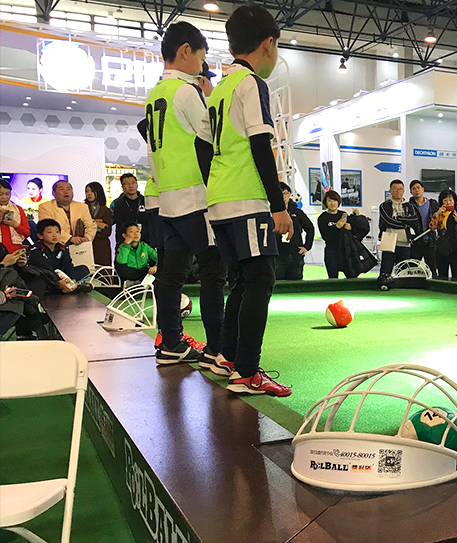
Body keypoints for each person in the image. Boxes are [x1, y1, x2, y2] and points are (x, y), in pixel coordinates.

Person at [206, 5, 292, 396]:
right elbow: (261, 144)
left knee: (241, 280)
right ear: (268, 44)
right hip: (247, 199)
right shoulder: (252, 84)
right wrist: (279, 204)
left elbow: (202, 150)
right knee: (260, 279)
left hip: (220, 200)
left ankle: (228, 357)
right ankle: (247, 371)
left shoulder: (220, 87)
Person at [145, 21, 228, 370]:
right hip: (195, 196)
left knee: (171, 273)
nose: (202, 64)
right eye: (201, 55)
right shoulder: (186, 90)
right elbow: (212, 138)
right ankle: (216, 349)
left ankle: (171, 343)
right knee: (213, 271)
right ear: (185, 52)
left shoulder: (154, 95)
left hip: (167, 199)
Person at [28, 219, 90, 287]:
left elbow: (68, 266)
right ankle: (63, 287)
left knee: (83, 269)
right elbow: (47, 269)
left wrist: (73, 280)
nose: (54, 235)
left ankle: (68, 286)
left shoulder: (62, 248)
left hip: (61, 275)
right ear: (40, 236)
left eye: (57, 232)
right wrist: (59, 282)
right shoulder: (36, 250)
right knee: (40, 279)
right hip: (47, 276)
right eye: (50, 232)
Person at [377, 180, 419, 279]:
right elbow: (388, 221)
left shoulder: (410, 206)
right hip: (389, 241)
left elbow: (414, 220)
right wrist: (405, 223)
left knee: (403, 271)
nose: (398, 191)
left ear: (404, 191)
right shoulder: (384, 206)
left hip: (405, 242)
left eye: (400, 189)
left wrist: (398, 219)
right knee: (386, 270)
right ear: (390, 191)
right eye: (395, 189)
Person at [38, 180, 96, 247]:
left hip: (80, 246)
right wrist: (69, 238)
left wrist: (86, 238)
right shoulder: (45, 207)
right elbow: (47, 228)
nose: (66, 192)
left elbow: (90, 225)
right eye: (61, 189)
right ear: (53, 193)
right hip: (56, 246)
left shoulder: (83, 207)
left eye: (68, 189)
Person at [275, 182, 314, 280]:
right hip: (277, 256)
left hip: (296, 255)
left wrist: (307, 246)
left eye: (284, 193)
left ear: (289, 194)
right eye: (279, 194)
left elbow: (310, 228)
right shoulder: (271, 213)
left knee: (297, 287)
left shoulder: (297, 212)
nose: (282, 197)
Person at [317, 190, 360, 278]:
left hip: (346, 251)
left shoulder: (343, 215)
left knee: (352, 277)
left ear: (338, 202)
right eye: (329, 201)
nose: (333, 203)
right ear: (325, 203)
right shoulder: (322, 218)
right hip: (331, 252)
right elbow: (326, 236)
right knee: (333, 278)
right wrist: (336, 227)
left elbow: (356, 232)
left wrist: (351, 227)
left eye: (335, 200)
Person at [409, 180, 440, 277]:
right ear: (411, 192)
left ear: (423, 189)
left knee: (432, 268)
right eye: (413, 189)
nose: (416, 190)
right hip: (416, 242)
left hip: (430, 242)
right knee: (412, 268)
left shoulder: (432, 204)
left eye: (418, 188)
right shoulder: (409, 206)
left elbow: (439, 220)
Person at [110, 173, 146, 248]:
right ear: (122, 187)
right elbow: (118, 225)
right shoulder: (118, 203)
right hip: (125, 242)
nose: (131, 186)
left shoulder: (145, 201)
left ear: (137, 185)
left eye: (133, 183)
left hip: (144, 242)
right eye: (127, 184)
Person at [84, 182, 113, 266]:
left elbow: (107, 232)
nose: (89, 194)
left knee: (103, 272)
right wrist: (97, 225)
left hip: (101, 247)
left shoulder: (105, 210)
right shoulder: (82, 208)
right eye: (87, 191)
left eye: (92, 191)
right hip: (86, 245)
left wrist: (90, 229)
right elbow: (81, 227)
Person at [0, 179, 30, 255]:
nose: (4, 197)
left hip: (15, 251)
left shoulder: (18, 210)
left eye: (7, 194)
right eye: (0, 194)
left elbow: (27, 233)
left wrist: (16, 225)